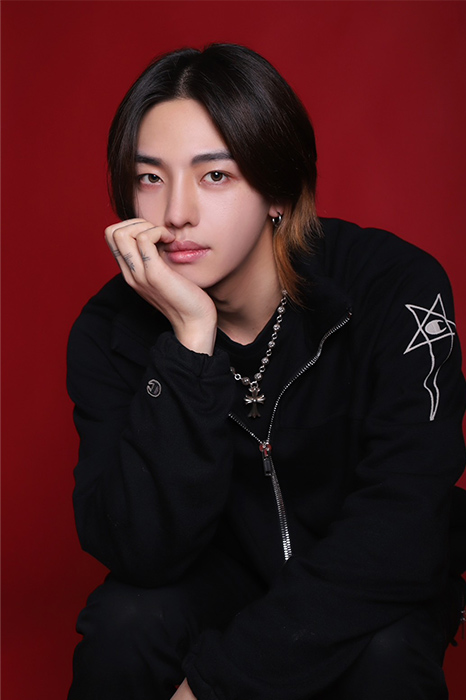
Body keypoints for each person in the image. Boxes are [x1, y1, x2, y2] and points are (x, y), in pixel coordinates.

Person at [67, 44, 466, 700]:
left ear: (277, 190)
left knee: (386, 655)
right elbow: (140, 553)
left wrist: (215, 685)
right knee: (124, 625)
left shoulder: (393, 287)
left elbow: (403, 528)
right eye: (150, 178)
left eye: (214, 175)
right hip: (219, 578)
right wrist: (189, 346)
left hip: (366, 580)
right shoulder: (109, 332)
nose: (177, 213)